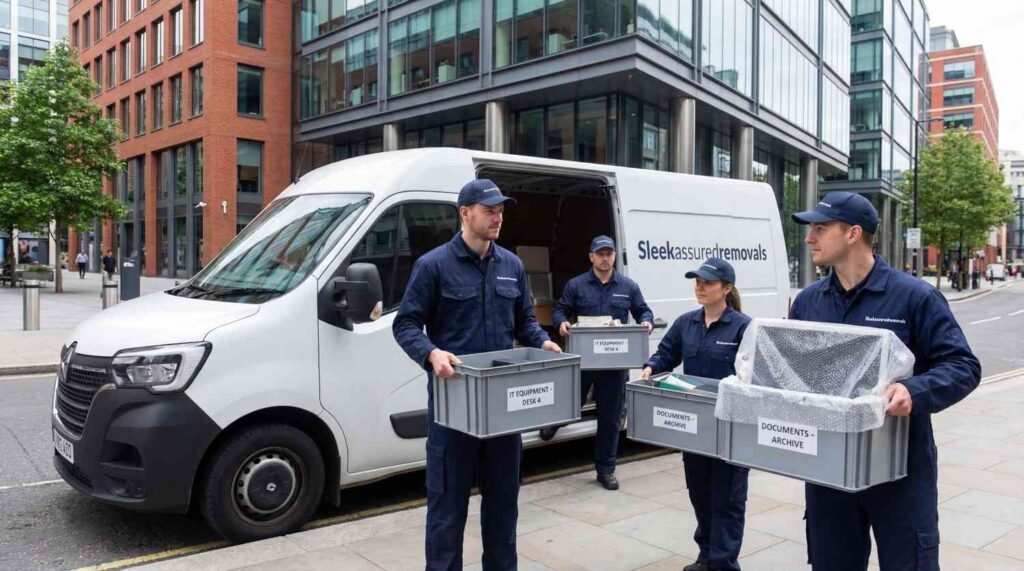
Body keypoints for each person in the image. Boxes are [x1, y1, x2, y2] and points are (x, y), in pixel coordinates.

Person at [790, 191, 980, 570]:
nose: (809, 238)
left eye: (820, 228)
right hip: (828, 470)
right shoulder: (808, 302)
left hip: (901, 472)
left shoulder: (915, 297)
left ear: (852, 233)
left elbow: (963, 365)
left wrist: (913, 389)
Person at [392, 179, 561, 571]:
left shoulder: (512, 266)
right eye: (489, 210)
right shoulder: (433, 266)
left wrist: (542, 341)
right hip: (453, 413)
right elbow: (406, 325)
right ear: (464, 213)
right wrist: (431, 353)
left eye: (500, 209)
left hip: (502, 414)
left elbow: (524, 321)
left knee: (503, 512)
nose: (497, 216)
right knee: (447, 513)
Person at [639, 258, 751, 571]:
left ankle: (723, 563)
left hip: (730, 431)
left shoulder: (744, 327)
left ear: (726, 288)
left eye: (708, 282)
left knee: (727, 501)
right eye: (697, 281)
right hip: (695, 431)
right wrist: (651, 367)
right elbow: (666, 353)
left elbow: (754, 375)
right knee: (701, 496)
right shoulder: (686, 323)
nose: (700, 287)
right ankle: (707, 557)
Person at [542, 235, 654, 490]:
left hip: (615, 364)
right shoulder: (576, 286)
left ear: (614, 256)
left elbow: (643, 311)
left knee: (610, 417)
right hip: (585, 360)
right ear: (591, 257)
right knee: (571, 401)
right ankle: (555, 423)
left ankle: (605, 470)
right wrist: (561, 323)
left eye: (609, 253)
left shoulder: (628, 286)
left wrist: (646, 321)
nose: (605, 258)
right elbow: (559, 310)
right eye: (600, 254)